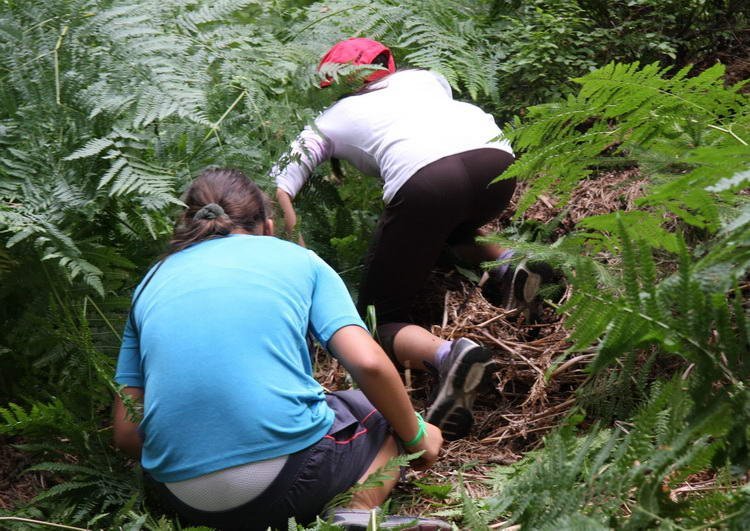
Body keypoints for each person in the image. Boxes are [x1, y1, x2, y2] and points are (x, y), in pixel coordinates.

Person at [112, 168, 450, 530]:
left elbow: (126, 433)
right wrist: (417, 436)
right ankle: (355, 508)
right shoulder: (299, 260)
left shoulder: (150, 283)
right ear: (268, 228)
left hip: (185, 500)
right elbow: (369, 364)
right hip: (292, 482)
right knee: (378, 408)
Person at [272, 38, 551, 441]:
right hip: (496, 166)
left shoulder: (330, 119)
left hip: (429, 183)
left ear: (337, 82)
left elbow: (283, 183)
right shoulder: (428, 78)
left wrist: (293, 244)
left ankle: (447, 355)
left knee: (377, 318)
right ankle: (510, 263)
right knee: (444, 227)